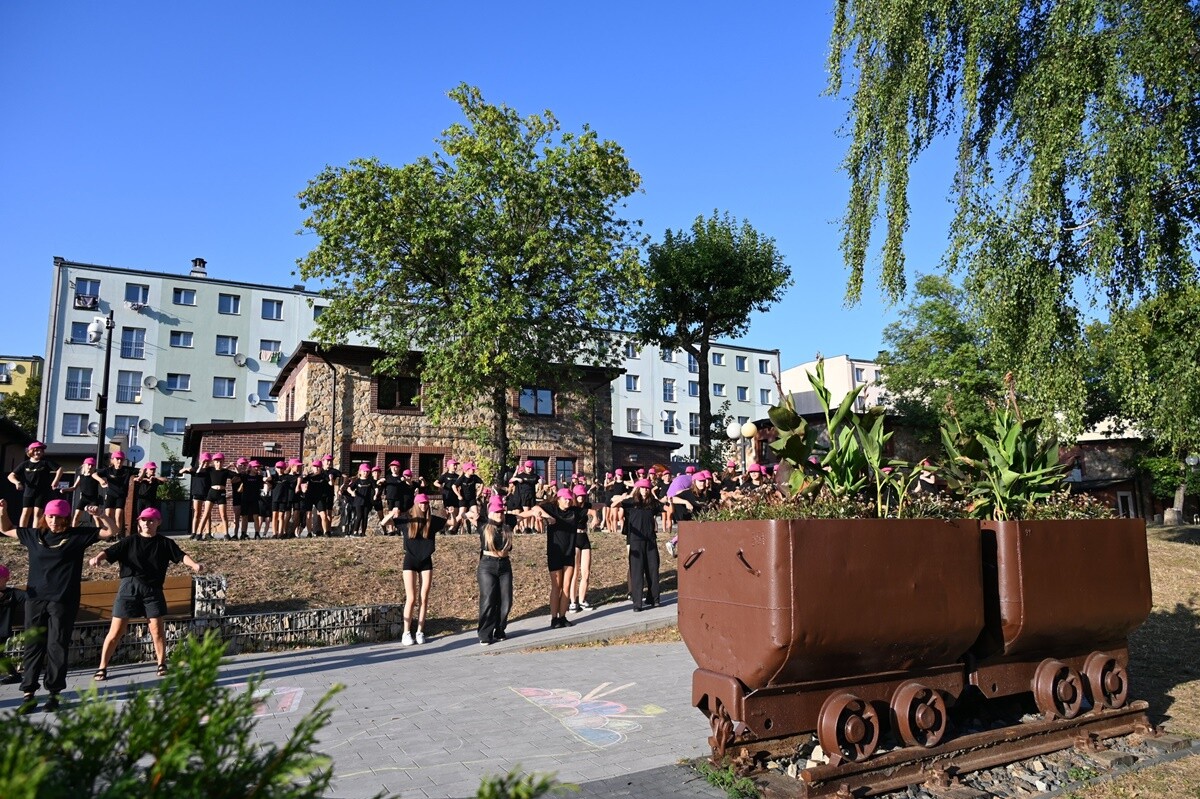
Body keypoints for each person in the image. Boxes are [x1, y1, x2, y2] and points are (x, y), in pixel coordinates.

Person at [0, 498, 118, 714]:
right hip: (35, 600)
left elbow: (112, 531)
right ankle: (28, 694)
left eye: (59, 517)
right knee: (33, 646)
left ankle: (54, 694)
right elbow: (6, 529)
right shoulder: (34, 535)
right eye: (51, 516)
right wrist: (3, 511)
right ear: (45, 516)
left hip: (63, 600)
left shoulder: (76, 536)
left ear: (66, 517)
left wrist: (101, 515)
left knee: (57, 646)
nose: (54, 520)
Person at [88, 507, 203, 680]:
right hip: (129, 588)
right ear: (139, 522)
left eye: (151, 520)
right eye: (143, 520)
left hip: (153, 590)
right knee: (116, 631)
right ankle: (102, 667)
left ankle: (161, 664)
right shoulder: (130, 541)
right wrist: (97, 558)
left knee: (157, 630)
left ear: (158, 522)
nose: (147, 523)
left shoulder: (165, 543)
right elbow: (109, 552)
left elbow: (181, 556)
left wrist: (194, 565)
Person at [516, 487, 580, 629]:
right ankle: (554, 618)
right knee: (556, 587)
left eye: (570, 499)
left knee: (566, 586)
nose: (568, 501)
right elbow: (535, 508)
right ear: (558, 499)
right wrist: (548, 517)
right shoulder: (552, 508)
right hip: (555, 553)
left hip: (569, 553)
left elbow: (590, 507)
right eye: (565, 499)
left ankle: (563, 616)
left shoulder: (574, 511)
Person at [611, 479, 662, 612]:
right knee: (637, 571)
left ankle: (654, 598)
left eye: (647, 488)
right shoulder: (631, 502)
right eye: (642, 488)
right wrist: (623, 497)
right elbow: (613, 505)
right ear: (638, 489)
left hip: (650, 540)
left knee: (653, 569)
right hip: (635, 540)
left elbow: (665, 508)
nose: (645, 490)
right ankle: (637, 603)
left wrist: (668, 500)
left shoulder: (653, 503)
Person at [400, 494, 443, 645]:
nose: (424, 506)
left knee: (424, 598)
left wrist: (453, 514)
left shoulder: (432, 520)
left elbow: (452, 522)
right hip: (410, 561)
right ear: (416, 504)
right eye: (421, 503)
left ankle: (420, 631)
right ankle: (406, 632)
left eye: (426, 503)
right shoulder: (407, 519)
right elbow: (385, 523)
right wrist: (391, 514)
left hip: (426, 561)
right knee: (411, 598)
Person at [476, 494, 513, 645]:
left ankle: (500, 629)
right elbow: (471, 513)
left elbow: (526, 513)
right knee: (488, 599)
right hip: (487, 565)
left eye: (501, 511)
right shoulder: (483, 525)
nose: (499, 514)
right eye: (496, 512)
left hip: (504, 565)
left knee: (506, 600)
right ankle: (485, 633)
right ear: (490, 512)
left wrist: (542, 515)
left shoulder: (507, 525)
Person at [8, 442, 63, 528]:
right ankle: (22, 532)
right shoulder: (25, 464)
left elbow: (60, 469)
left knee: (37, 513)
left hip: (41, 492)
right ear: (30, 451)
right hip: (28, 492)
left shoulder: (45, 462)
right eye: (36, 450)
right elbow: (11, 476)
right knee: (26, 512)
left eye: (41, 451)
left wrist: (56, 480)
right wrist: (17, 482)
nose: (38, 452)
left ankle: (35, 532)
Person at [93, 451, 136, 536]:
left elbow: (141, 471)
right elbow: (94, 474)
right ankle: (109, 534)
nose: (119, 461)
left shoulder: (127, 470)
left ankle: (117, 535)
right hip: (111, 495)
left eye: (121, 459)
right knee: (108, 514)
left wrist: (141, 476)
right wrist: (101, 480)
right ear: (112, 460)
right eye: (117, 459)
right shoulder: (108, 470)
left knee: (118, 515)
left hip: (121, 496)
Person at [567, 484, 593, 613]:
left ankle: (582, 599)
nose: (581, 498)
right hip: (574, 539)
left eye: (583, 495)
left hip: (585, 538)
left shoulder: (586, 506)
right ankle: (573, 601)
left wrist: (597, 517)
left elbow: (596, 507)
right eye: (579, 496)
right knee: (575, 572)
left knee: (586, 572)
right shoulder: (571, 508)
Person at [0, 563, 26, 684]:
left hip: (2, 630)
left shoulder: (12, 594)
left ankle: (14, 674)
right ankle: (13, 674)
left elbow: (29, 598)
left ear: (6, 579)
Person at [179, 453, 212, 540]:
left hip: (208, 494)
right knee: (197, 513)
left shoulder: (210, 470)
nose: (206, 463)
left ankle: (208, 533)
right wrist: (186, 469)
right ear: (200, 461)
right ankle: (194, 532)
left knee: (208, 514)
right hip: (197, 493)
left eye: (208, 461)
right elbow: (180, 472)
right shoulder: (195, 469)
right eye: (204, 461)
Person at [67, 457, 102, 528]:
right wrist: (65, 489)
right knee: (76, 516)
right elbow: (74, 487)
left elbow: (102, 481)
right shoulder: (80, 477)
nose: (90, 467)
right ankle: (73, 531)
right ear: (84, 465)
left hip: (93, 499)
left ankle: (98, 531)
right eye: (88, 465)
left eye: (92, 465)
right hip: (84, 498)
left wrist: (103, 482)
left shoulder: (95, 476)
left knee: (96, 517)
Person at [238, 460, 266, 539]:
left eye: (258, 467)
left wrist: (261, 472)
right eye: (255, 467)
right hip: (245, 498)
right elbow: (238, 475)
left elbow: (264, 480)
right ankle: (243, 533)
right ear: (250, 467)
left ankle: (257, 533)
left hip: (255, 499)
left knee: (256, 516)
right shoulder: (245, 476)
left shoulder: (259, 477)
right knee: (244, 516)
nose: (256, 468)